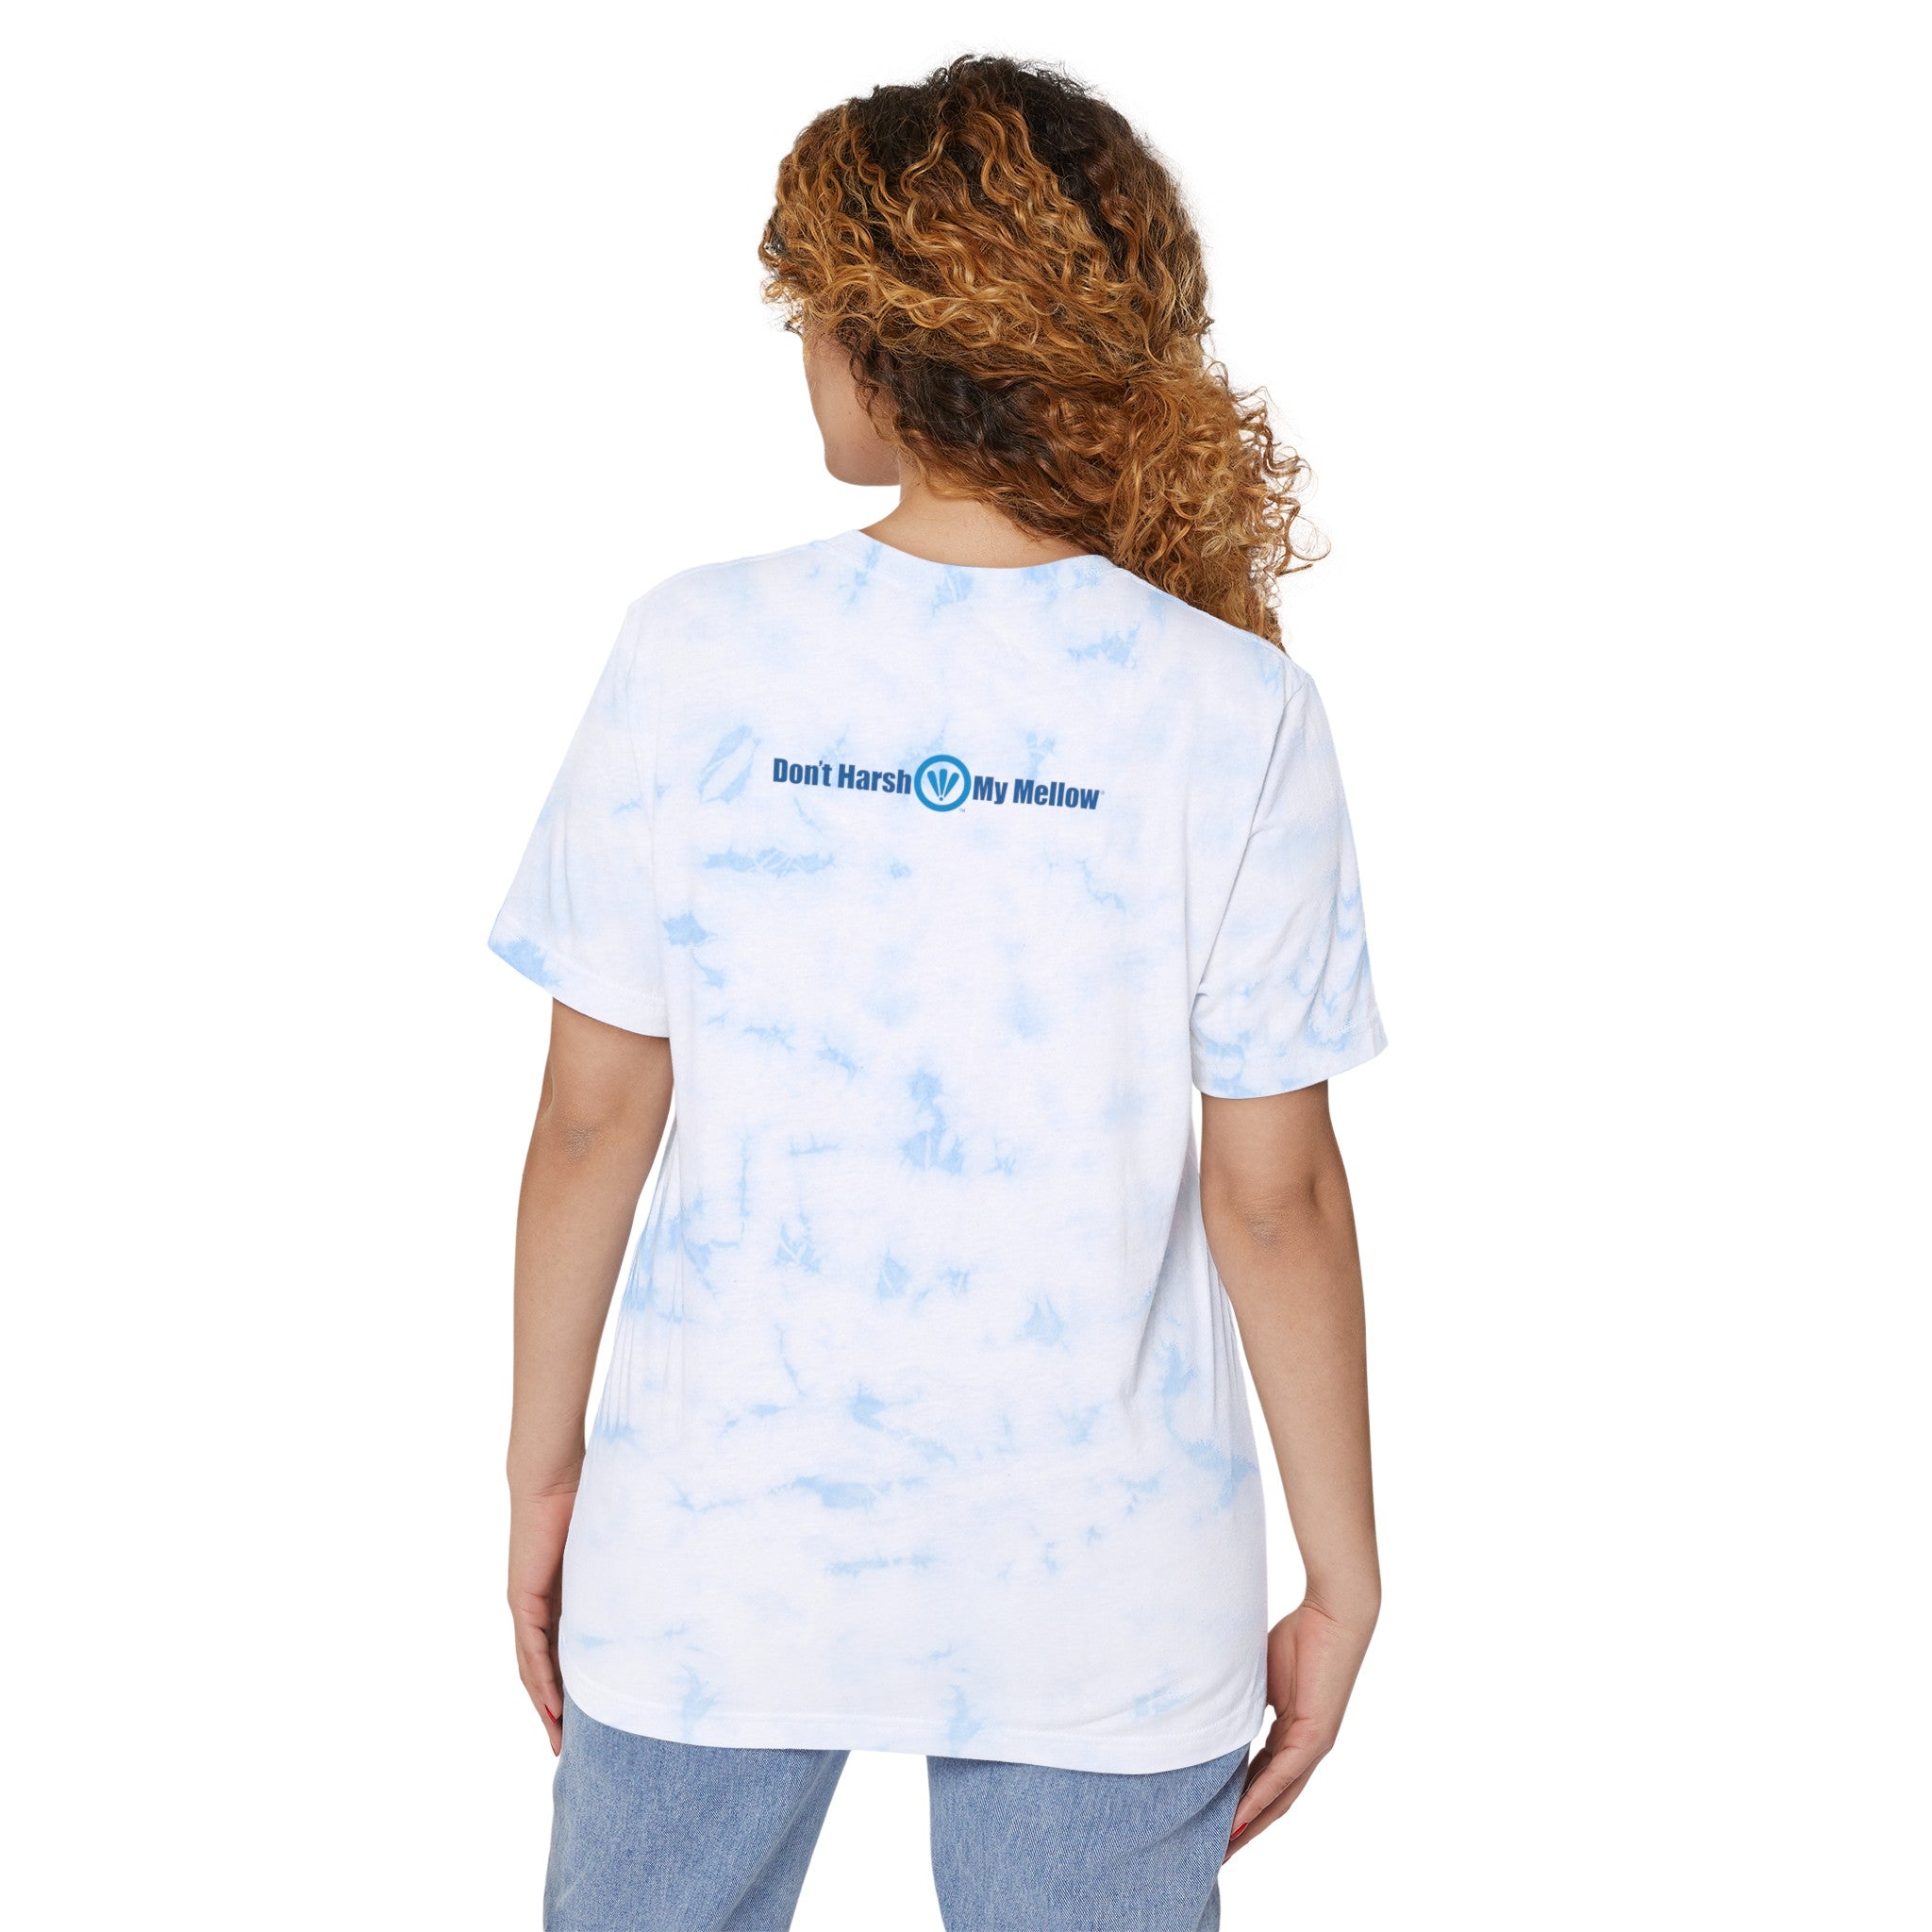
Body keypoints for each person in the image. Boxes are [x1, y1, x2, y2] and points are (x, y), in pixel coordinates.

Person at [491, 54, 1386, 1932]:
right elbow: (1277, 1195)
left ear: (883, 344)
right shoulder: (1234, 706)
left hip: (716, 1553)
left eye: (808, 312)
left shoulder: (695, 650)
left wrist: (543, 1476)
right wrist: (1344, 1565)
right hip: (1105, 1588)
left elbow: (590, 1117)